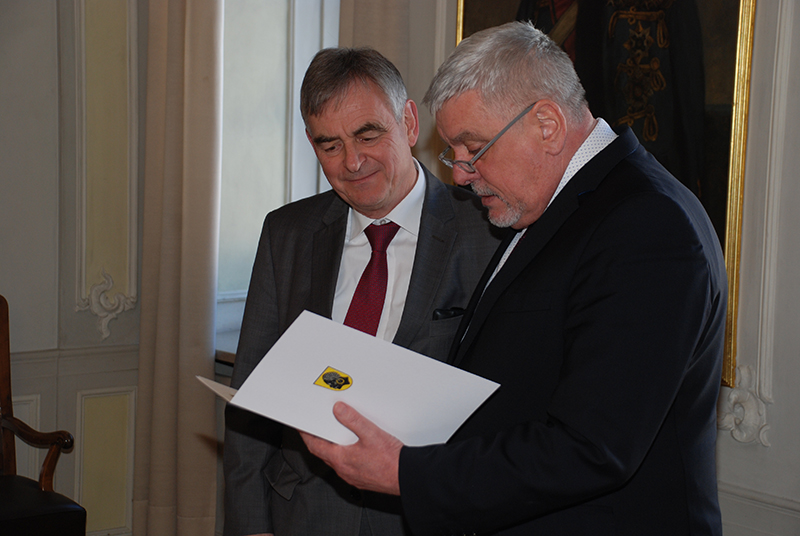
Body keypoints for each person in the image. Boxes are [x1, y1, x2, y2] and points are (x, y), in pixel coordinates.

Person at [301, 22, 727, 536]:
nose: (459, 174)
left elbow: (592, 448)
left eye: (473, 148)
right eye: (454, 153)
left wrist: (405, 472)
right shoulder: (550, 207)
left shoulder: (646, 225)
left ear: (546, 124)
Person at [222, 47, 502, 536]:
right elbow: (251, 403)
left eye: (368, 135)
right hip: (303, 515)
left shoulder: (486, 232)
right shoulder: (286, 234)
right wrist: (251, 526)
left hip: (426, 518)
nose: (352, 161)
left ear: (410, 123)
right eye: (330, 145)